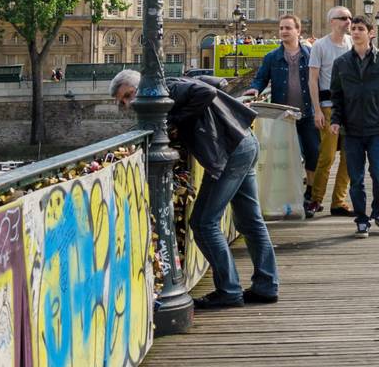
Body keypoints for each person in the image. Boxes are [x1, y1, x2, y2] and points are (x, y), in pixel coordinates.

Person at [110, 68, 277, 309]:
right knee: (250, 221)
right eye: (123, 101)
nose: (129, 103)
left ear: (140, 84)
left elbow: (206, 91)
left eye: (128, 95)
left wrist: (176, 120)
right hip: (243, 142)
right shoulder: (171, 87)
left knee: (203, 223)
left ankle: (229, 290)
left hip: (230, 151)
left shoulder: (167, 90)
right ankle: (266, 285)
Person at [329, 16, 379, 237]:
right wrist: (335, 120)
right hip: (351, 129)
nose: (355, 32)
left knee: (378, 175)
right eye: (354, 29)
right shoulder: (341, 63)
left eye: (360, 29)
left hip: (377, 128)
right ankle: (361, 218)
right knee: (356, 178)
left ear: (371, 33)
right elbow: (336, 96)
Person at [250, 14, 322, 218]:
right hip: (283, 116)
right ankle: (291, 195)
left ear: (298, 31)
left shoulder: (310, 55)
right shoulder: (272, 57)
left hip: (307, 113)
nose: (283, 31)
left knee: (312, 153)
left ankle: (310, 194)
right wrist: (254, 91)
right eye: (281, 28)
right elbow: (260, 79)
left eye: (288, 28)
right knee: (287, 157)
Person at [308, 6, 355, 217]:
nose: (348, 21)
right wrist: (316, 109)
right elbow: (313, 80)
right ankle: (316, 199)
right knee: (326, 157)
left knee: (349, 157)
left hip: (351, 109)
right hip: (328, 108)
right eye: (343, 18)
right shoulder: (320, 46)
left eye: (350, 18)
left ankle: (339, 201)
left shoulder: (352, 43)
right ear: (332, 21)